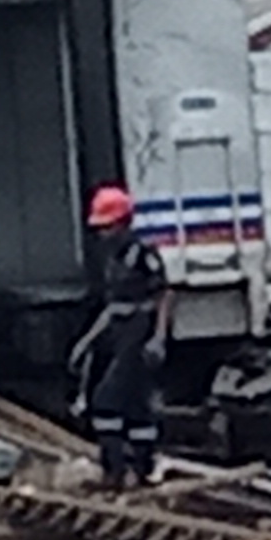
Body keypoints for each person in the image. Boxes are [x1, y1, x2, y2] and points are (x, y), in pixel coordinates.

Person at [76, 183, 171, 488]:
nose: (102, 235)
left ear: (122, 224)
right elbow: (112, 306)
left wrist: (158, 338)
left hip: (138, 333)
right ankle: (141, 468)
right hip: (117, 331)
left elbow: (163, 296)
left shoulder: (142, 255)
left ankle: (114, 470)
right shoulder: (112, 260)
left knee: (107, 401)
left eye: (107, 227)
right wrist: (88, 340)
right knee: (134, 405)